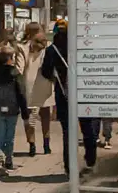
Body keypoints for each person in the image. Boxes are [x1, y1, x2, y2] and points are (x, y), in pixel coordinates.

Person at [41, 20, 100, 175]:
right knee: (88, 127)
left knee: (68, 132)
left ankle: (69, 167)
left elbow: (46, 72)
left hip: (64, 95)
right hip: (83, 93)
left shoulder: (52, 50)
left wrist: (56, 77)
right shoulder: (80, 46)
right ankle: (90, 158)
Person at [0, 45, 29, 175]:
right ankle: (9, 160)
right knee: (9, 135)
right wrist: (25, 113)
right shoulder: (16, 74)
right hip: (12, 108)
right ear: (11, 58)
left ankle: (0, 158)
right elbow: (21, 93)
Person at [18, 22, 54, 157]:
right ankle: (46, 144)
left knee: (30, 117)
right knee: (45, 116)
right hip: (45, 82)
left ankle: (32, 145)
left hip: (29, 83)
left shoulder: (22, 47)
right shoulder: (48, 46)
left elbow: (20, 68)